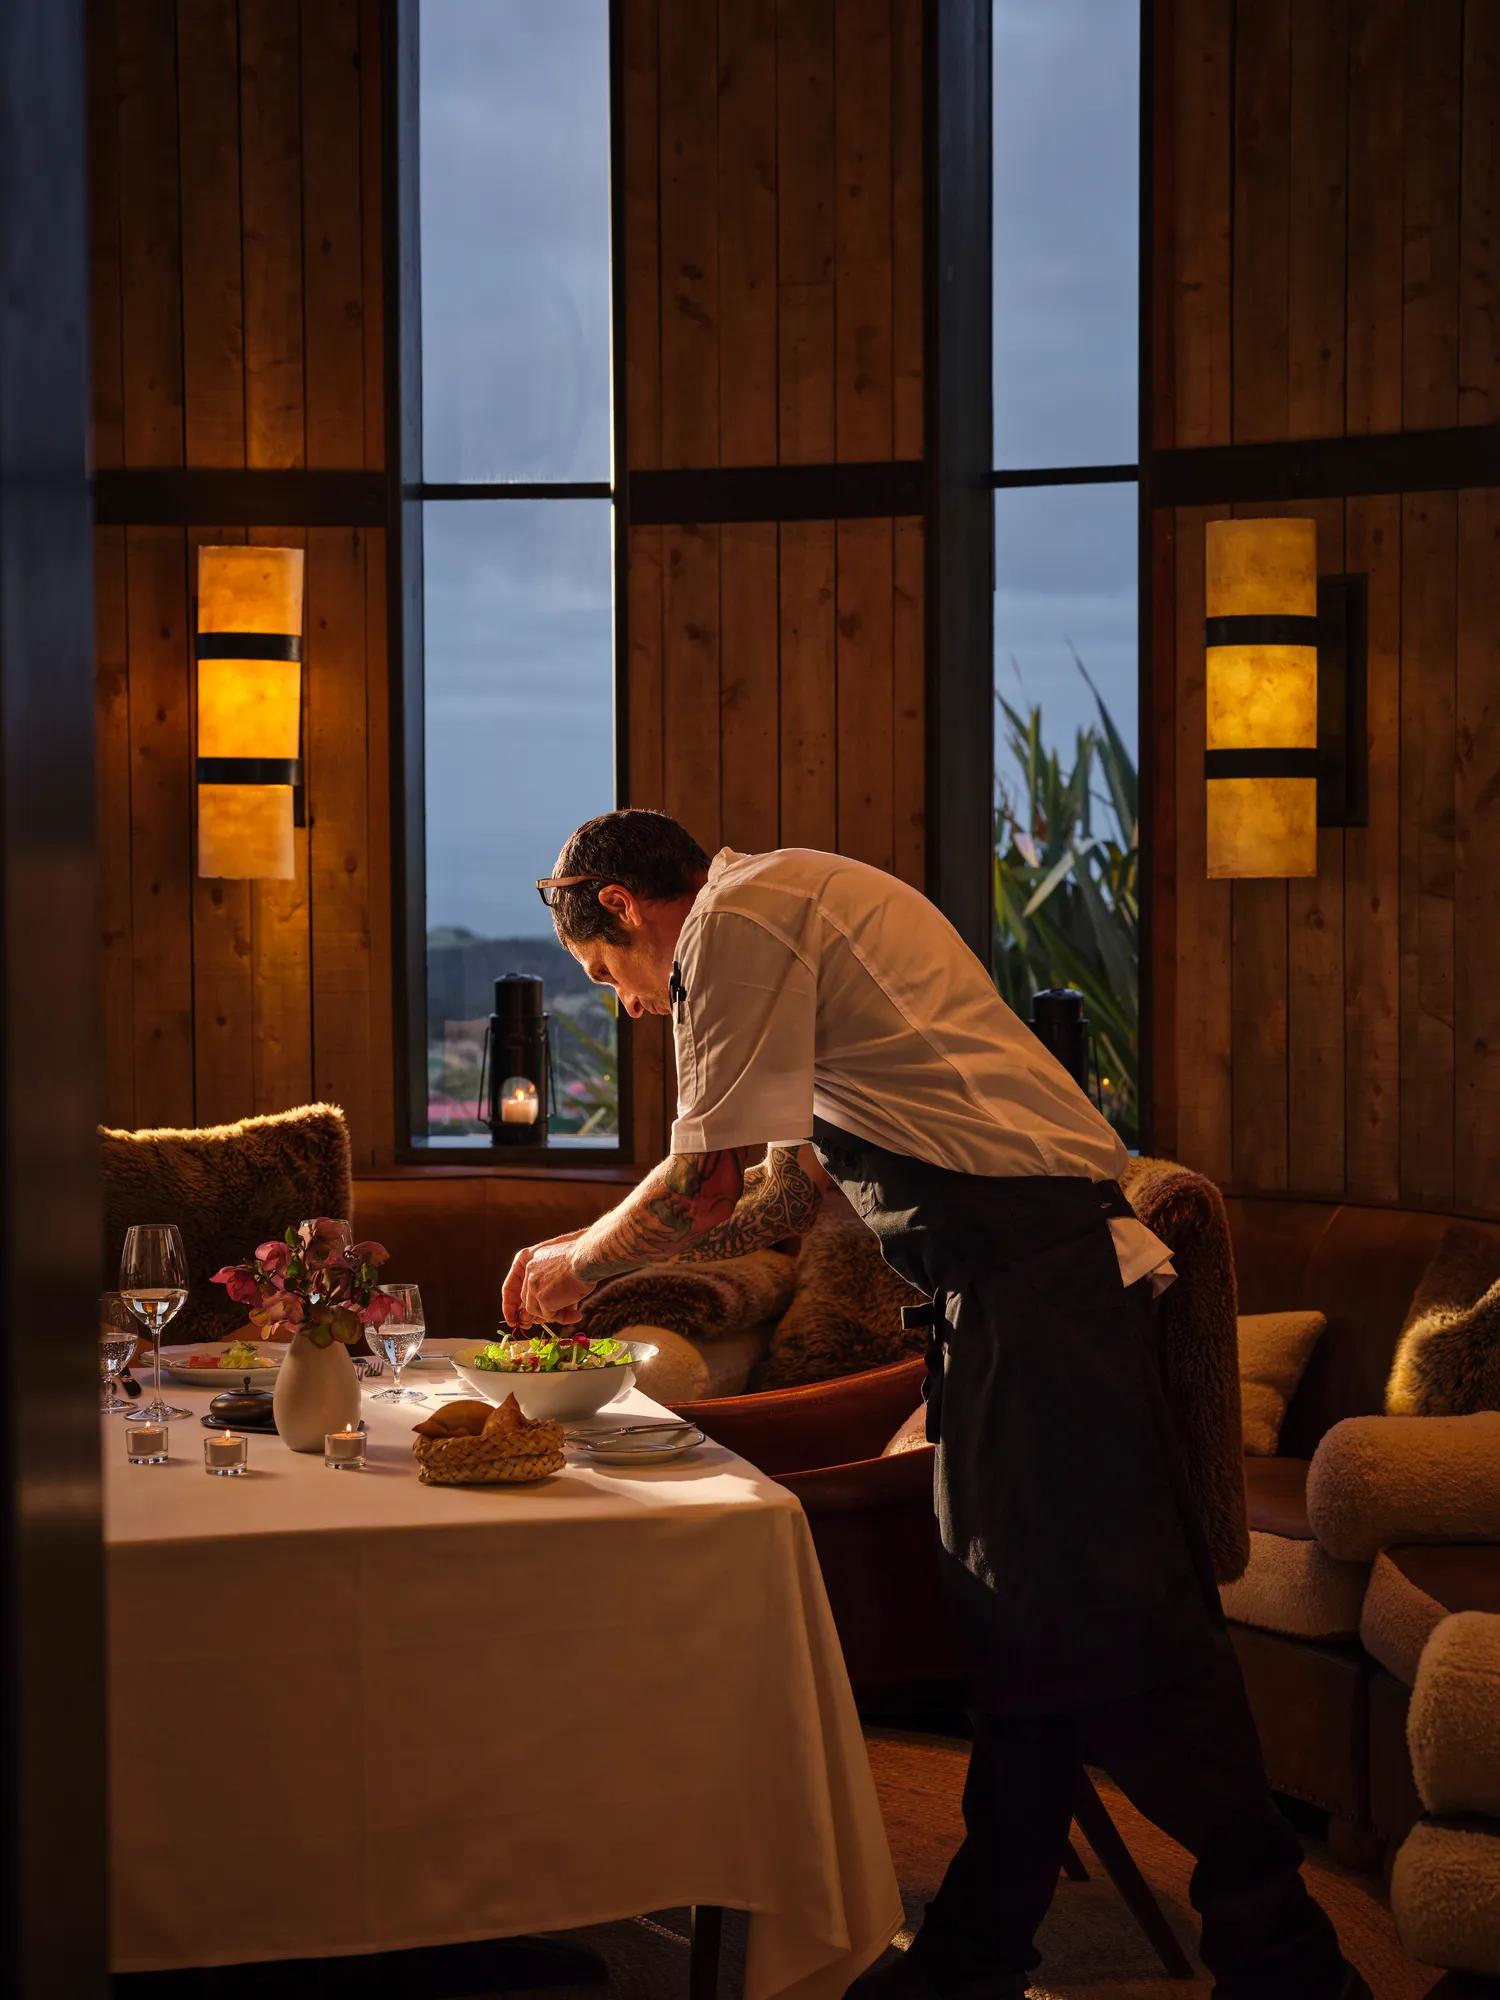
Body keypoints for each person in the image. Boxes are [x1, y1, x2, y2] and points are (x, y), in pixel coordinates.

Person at [503, 809, 1370, 2000]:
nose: (630, 1005)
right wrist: (585, 1244)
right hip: (1009, 1299)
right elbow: (780, 1195)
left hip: (1040, 1288)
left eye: (611, 976)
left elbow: (699, 1186)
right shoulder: (786, 903)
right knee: (1026, 1638)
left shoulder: (738, 921)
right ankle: (984, 1955)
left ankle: (1286, 1961)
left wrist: (573, 1269)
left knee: (1132, 1632)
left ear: (617, 902)